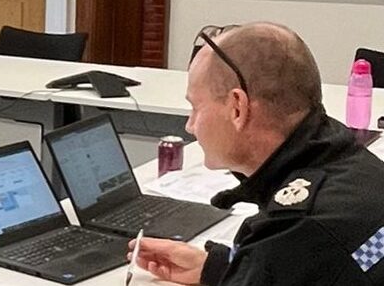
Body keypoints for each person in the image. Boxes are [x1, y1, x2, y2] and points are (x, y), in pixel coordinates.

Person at [130, 22, 384, 285]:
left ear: (237, 108)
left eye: (195, 107)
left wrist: (251, 267)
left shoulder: (294, 229)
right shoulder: (350, 162)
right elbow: (328, 267)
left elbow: (298, 258)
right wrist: (225, 269)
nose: (190, 125)